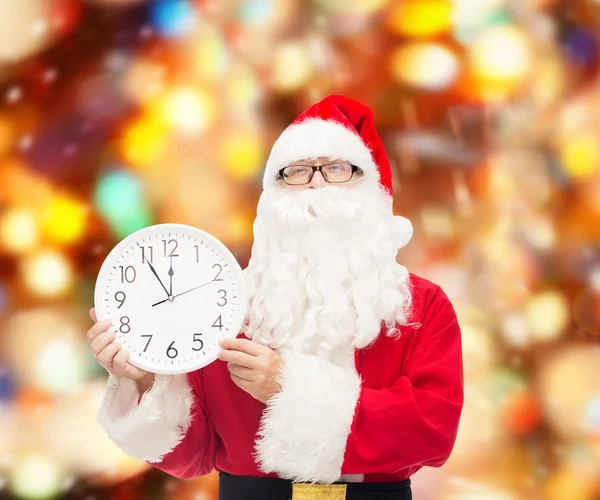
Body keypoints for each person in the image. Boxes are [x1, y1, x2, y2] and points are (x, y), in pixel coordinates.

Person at [87, 95, 464, 500]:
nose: (317, 182)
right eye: (297, 172)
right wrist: (145, 380)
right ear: (272, 197)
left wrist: (289, 386)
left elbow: (433, 431)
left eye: (337, 168)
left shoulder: (423, 305)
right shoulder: (225, 303)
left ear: (371, 190)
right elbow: (192, 456)